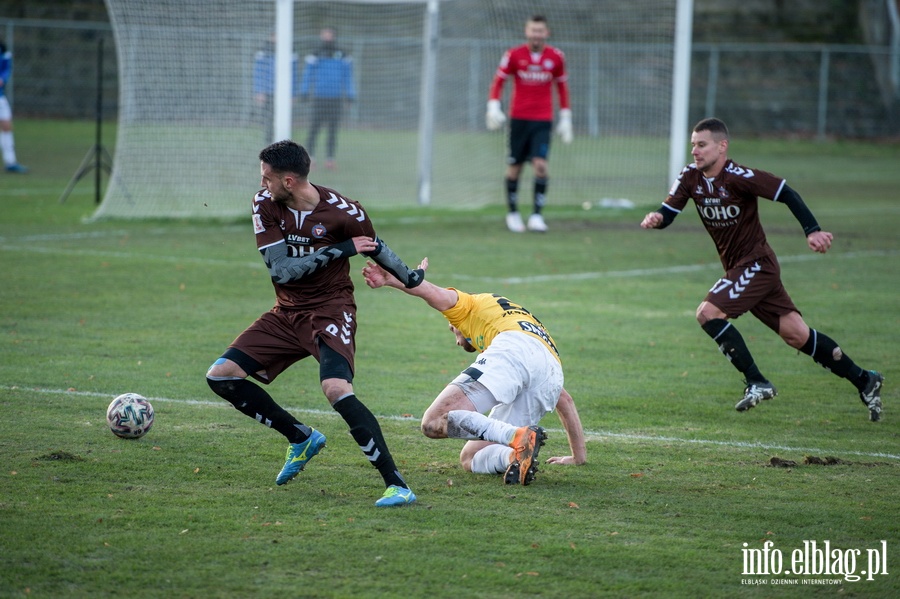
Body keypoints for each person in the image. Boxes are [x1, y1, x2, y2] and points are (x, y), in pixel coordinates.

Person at [206, 140, 425, 507]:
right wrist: (341, 249)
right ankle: (300, 437)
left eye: (267, 179)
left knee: (336, 389)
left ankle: (397, 484)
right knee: (221, 375)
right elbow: (282, 271)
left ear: (288, 181)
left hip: (331, 310)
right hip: (286, 311)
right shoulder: (265, 205)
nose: (263, 186)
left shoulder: (346, 212)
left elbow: (375, 246)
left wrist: (411, 278)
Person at [640, 117, 884, 421]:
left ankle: (757, 381)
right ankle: (864, 379)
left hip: (756, 263)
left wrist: (812, 230)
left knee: (707, 313)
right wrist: (657, 219)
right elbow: (669, 212)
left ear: (722, 146)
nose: (695, 151)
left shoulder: (741, 177)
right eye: (693, 145)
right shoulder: (690, 177)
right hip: (745, 269)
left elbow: (787, 193)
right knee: (797, 335)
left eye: (702, 145)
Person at [361, 257, 586, 485]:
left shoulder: (466, 306)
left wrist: (392, 279)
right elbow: (565, 399)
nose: (457, 340)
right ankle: (516, 454)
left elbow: (428, 291)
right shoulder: (520, 322)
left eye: (452, 330)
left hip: (512, 349)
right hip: (551, 370)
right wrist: (578, 457)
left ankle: (517, 437)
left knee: (433, 422)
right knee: (470, 457)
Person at [486, 15, 572, 233]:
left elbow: (562, 87)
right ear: (527, 32)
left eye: (540, 30)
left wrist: (565, 116)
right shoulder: (513, 55)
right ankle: (513, 213)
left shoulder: (556, 57)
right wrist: (494, 106)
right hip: (519, 119)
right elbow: (499, 82)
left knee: (540, 166)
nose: (536, 34)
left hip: (543, 120)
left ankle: (536, 216)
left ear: (546, 33)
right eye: (533, 30)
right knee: (514, 168)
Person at [300, 28, 356, 170]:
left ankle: (330, 159)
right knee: (314, 129)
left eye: (330, 35)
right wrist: (304, 91)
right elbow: (308, 74)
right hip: (319, 98)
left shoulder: (343, 55)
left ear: (334, 36)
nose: (327, 37)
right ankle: (310, 158)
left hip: (335, 99)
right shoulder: (315, 54)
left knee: (333, 130)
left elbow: (348, 77)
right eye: (324, 34)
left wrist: (350, 95)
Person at [252, 34, 299, 144]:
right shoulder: (262, 53)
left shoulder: (290, 52)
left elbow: (294, 75)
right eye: (273, 36)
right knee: (269, 121)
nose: (275, 38)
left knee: (283, 122)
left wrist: (292, 94)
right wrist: (259, 91)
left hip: (284, 94)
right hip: (268, 92)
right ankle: (269, 146)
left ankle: (282, 146)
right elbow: (258, 73)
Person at [0, 41, 27, 173]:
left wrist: (2, 79)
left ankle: (10, 161)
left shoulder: (4, 51)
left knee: (6, 126)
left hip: (0, 97)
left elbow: (6, 69)